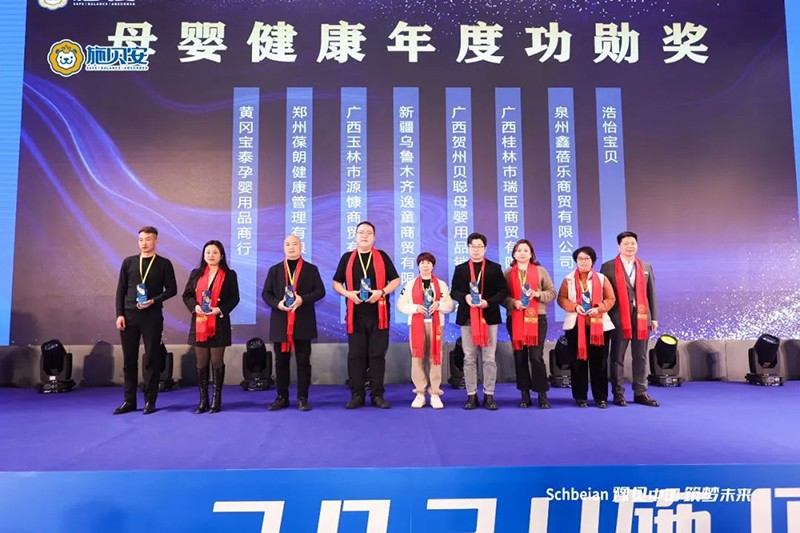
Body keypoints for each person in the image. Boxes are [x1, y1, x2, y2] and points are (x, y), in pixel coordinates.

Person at [333, 221, 401, 409]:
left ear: (374, 237)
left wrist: (382, 292)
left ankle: (377, 395)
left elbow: (396, 280)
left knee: (377, 355)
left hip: (379, 315)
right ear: (355, 236)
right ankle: (357, 394)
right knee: (356, 355)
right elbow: (336, 282)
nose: (364, 236)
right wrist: (348, 294)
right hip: (355, 316)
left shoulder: (382, 256)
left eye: (369, 233)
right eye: (361, 232)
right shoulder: (347, 258)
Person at [113, 226, 177, 415]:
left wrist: (154, 301)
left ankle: (150, 401)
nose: (144, 243)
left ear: (156, 241)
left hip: (152, 317)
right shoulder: (129, 262)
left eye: (148, 239)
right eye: (141, 239)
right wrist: (120, 314)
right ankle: (129, 401)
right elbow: (121, 290)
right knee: (129, 360)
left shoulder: (164, 263)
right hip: (129, 316)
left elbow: (172, 289)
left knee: (151, 359)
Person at [262, 234, 326, 412]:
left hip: (303, 322)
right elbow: (266, 294)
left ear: (301, 247)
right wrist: (278, 304)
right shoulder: (274, 270)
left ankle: (303, 398)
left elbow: (320, 291)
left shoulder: (311, 269)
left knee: (303, 361)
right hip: (281, 322)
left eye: (295, 244)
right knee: (281, 361)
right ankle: (281, 397)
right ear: (283, 248)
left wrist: (302, 299)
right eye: (288, 244)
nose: (291, 247)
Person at [600, 231, 660, 407]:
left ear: (637, 245)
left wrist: (654, 318)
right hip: (618, 318)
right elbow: (603, 294)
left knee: (640, 356)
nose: (630, 246)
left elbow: (651, 294)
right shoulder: (608, 267)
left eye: (633, 243)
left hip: (642, 317)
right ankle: (618, 393)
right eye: (626, 243)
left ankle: (641, 392)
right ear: (619, 246)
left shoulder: (646, 266)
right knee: (617, 356)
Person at [450, 232, 508, 410]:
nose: (476, 250)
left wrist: (488, 302)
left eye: (479, 247)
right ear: (468, 248)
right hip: (468, 318)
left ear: (485, 248)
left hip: (488, 317)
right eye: (472, 246)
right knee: (469, 358)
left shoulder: (494, 268)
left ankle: (489, 395)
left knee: (489, 358)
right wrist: (465, 297)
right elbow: (454, 292)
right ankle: (471, 395)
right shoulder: (461, 269)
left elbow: (502, 292)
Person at [182, 240, 240, 414]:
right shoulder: (196, 273)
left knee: (216, 361)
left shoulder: (229, 275)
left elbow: (234, 298)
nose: (211, 255)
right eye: (208, 252)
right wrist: (195, 307)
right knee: (201, 362)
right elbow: (187, 295)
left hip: (219, 322)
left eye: (215, 252)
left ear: (221, 255)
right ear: (203, 255)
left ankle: (216, 399)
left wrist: (219, 309)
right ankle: (203, 400)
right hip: (199, 322)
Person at [557, 246, 616, 408]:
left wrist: (598, 308)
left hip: (600, 327)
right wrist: (574, 307)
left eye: (587, 259)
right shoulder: (568, 279)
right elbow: (561, 299)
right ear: (576, 261)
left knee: (600, 364)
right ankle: (580, 397)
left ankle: (600, 398)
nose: (583, 262)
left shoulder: (602, 278)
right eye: (580, 259)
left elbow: (611, 299)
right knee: (578, 363)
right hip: (575, 327)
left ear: (593, 261)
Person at [503, 239, 557, 409]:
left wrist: (537, 294)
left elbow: (552, 293)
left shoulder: (540, 271)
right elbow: (502, 297)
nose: (522, 253)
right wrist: (513, 302)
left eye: (525, 250)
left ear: (531, 254)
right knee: (520, 357)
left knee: (536, 356)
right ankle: (524, 394)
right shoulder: (508, 273)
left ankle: (542, 393)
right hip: (516, 319)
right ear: (514, 254)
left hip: (537, 319)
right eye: (519, 250)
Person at [396, 252, 455, 409]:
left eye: (428, 262)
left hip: (436, 325)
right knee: (417, 357)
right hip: (417, 325)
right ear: (418, 266)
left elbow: (450, 305)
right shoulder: (410, 285)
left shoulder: (441, 285)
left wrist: (439, 305)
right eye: (422, 262)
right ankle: (420, 393)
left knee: (436, 357)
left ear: (433, 266)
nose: (425, 265)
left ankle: (435, 393)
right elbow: (400, 305)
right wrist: (415, 308)